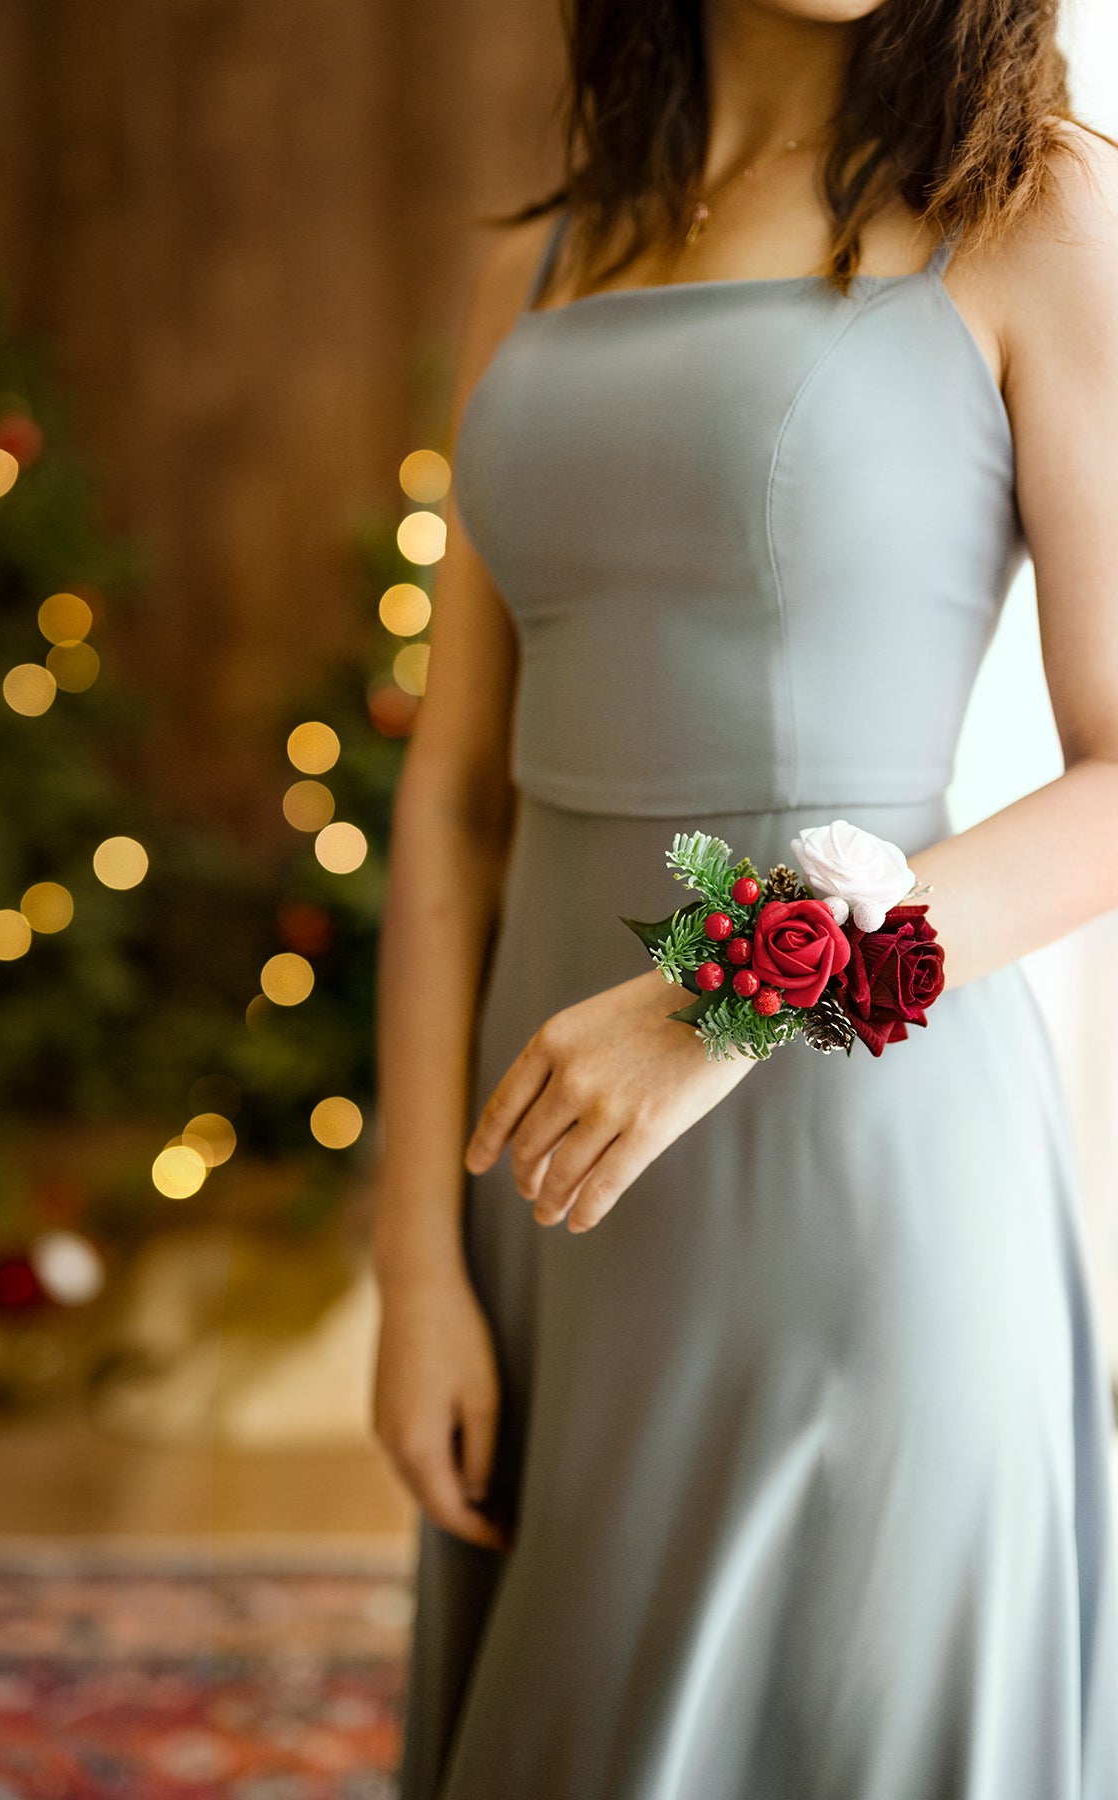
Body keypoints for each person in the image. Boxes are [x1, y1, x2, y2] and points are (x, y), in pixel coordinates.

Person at [371, 0, 1118, 1793]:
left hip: (856, 1183)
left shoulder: (1033, 208)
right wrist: (413, 1263)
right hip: (545, 1195)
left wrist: (721, 999)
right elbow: (452, 800)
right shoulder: (543, 255)